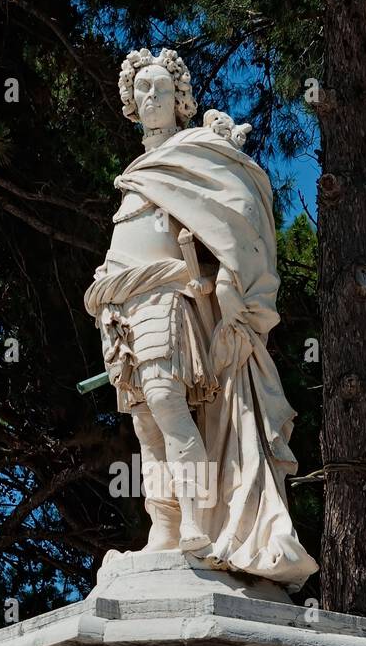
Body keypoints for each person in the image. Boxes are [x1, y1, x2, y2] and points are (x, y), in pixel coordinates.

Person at [84, 47, 317, 590]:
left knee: (168, 403)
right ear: (130, 103)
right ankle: (164, 529)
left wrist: (230, 282)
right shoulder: (136, 172)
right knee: (145, 421)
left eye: (162, 89)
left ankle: (196, 521)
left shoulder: (195, 153)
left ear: (181, 100)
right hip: (118, 308)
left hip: (166, 298)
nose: (151, 97)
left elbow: (240, 217)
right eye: (142, 90)